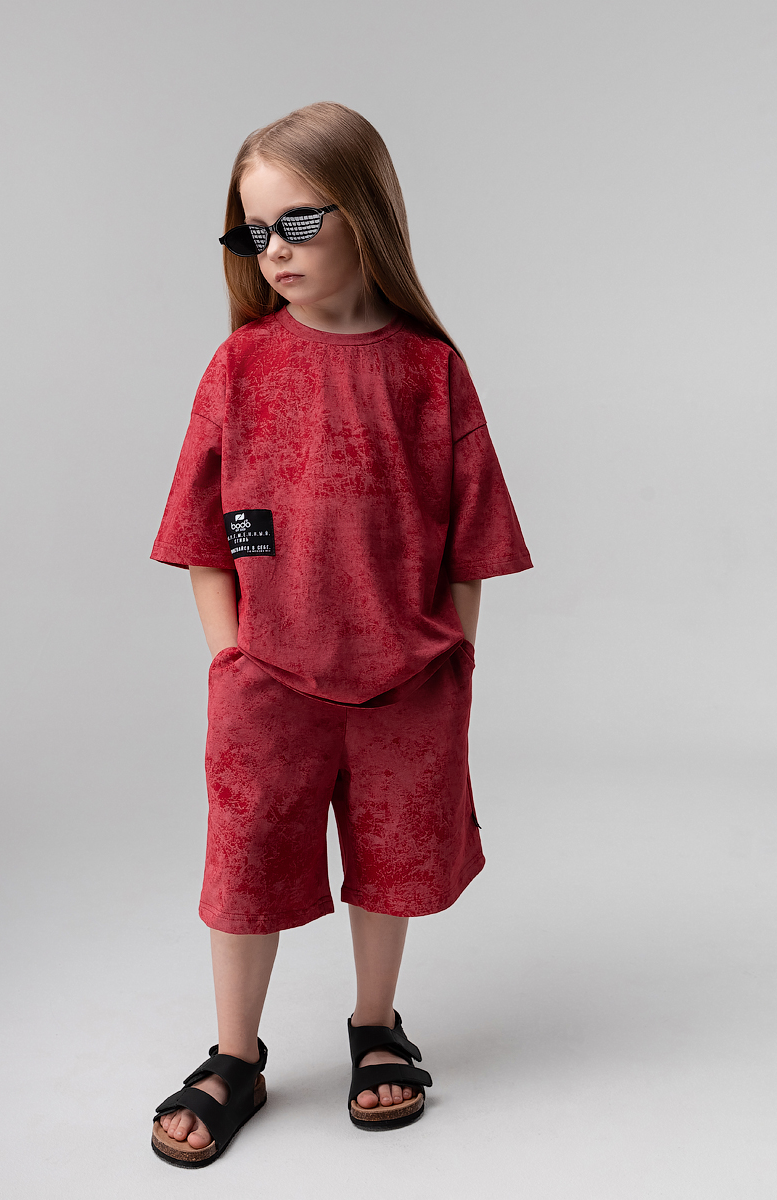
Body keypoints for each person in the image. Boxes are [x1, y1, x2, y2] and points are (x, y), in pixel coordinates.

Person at [148, 101, 532, 1167]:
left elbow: (469, 539)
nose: (271, 251)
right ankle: (234, 1056)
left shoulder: (429, 372)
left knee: (389, 861)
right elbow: (207, 532)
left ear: (366, 214)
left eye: (297, 224)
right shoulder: (240, 368)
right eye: (252, 232)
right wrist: (231, 655)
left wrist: (452, 656)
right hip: (268, 680)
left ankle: (376, 1026)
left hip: (408, 681)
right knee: (246, 868)